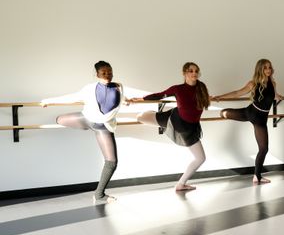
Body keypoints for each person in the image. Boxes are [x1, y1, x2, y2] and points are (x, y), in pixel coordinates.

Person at [41, 61, 125, 203]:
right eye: (104, 73)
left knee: (112, 162)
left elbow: (121, 98)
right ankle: (75, 124)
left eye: (110, 72)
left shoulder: (119, 87)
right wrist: (48, 101)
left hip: (103, 127)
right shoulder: (89, 88)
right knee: (59, 119)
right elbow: (71, 97)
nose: (107, 75)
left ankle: (99, 194)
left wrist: (126, 100)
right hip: (87, 119)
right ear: (97, 74)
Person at [132, 62, 210, 191]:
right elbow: (160, 95)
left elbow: (202, 100)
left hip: (190, 127)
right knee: (140, 117)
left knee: (201, 158)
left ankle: (180, 184)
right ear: (184, 73)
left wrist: (216, 98)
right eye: (191, 71)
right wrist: (141, 99)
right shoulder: (177, 89)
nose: (194, 73)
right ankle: (156, 116)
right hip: (175, 119)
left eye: (196, 71)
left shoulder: (202, 87)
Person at [211, 59, 284, 184]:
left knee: (263, 148)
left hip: (261, 118)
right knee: (224, 113)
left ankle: (257, 176)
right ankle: (223, 112)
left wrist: (282, 97)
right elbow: (237, 93)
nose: (268, 70)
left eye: (269, 67)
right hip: (252, 112)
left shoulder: (273, 83)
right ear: (260, 69)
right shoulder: (253, 83)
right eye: (265, 68)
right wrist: (220, 97)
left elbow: (275, 95)